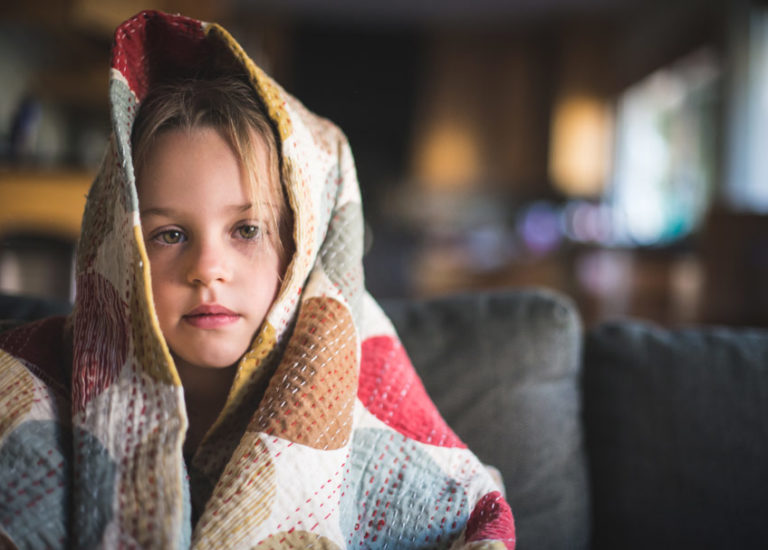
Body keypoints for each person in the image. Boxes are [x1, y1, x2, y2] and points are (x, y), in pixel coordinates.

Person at [0, 10, 515, 549]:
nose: (207, 269)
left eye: (246, 229)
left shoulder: (366, 409)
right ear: (117, 252)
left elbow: (474, 517)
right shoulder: (30, 390)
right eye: (169, 234)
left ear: (299, 250)